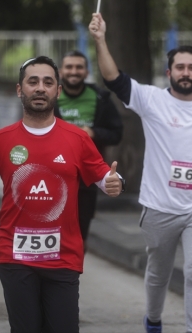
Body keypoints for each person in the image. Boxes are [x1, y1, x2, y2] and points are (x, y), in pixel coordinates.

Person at [0, 56, 124, 333]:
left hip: (63, 256)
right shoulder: (1, 139)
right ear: (20, 90)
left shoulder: (77, 138)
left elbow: (104, 176)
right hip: (14, 256)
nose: (40, 88)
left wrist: (115, 181)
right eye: (33, 82)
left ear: (58, 92)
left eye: (48, 82)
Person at [89, 13, 192, 333]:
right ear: (169, 72)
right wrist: (100, 39)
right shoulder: (150, 99)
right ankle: (153, 320)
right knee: (159, 273)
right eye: (180, 67)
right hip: (159, 206)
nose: (185, 73)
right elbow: (113, 78)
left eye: (191, 67)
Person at [57, 50, 123, 246]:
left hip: (86, 178)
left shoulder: (101, 98)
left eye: (79, 67)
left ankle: (71, 274)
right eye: (69, 67)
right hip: (54, 175)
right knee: (51, 230)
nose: (74, 71)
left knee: (79, 234)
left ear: (87, 72)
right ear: (61, 71)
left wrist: (94, 133)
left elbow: (117, 134)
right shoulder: (50, 97)